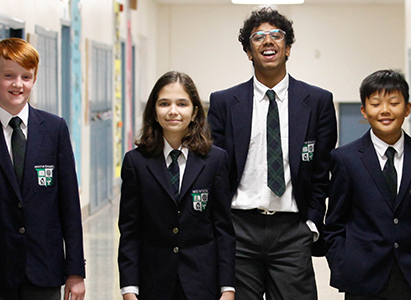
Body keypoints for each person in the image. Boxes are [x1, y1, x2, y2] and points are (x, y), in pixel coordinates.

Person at [206, 7, 337, 300]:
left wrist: (311, 225)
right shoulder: (225, 103)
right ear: (249, 52)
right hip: (239, 230)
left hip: (292, 231)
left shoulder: (317, 102)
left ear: (288, 48)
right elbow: (214, 171)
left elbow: (322, 172)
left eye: (276, 35)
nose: (268, 41)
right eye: (258, 37)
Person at [0, 37, 86, 300]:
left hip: (45, 269)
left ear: (34, 78)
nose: (18, 84)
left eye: (26, 77)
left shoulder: (54, 130)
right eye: (9, 76)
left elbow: (69, 206)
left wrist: (75, 272)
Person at [324, 70, 411, 300]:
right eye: (376, 104)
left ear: (407, 108)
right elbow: (335, 223)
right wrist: (343, 260)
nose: (385, 111)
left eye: (394, 103)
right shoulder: (346, 159)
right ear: (364, 110)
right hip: (361, 276)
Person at [118, 71, 236, 300]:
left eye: (182, 104)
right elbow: (130, 232)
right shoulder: (136, 162)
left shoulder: (215, 161)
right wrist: (129, 289)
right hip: (153, 283)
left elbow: (223, 230)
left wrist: (227, 288)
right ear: (154, 111)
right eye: (164, 103)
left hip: (202, 284)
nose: (173, 111)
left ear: (194, 112)